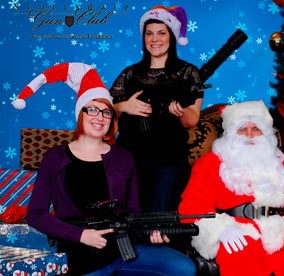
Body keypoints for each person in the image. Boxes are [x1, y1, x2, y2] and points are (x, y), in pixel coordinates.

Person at [14, 62, 196, 276]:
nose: (99, 117)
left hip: (123, 251)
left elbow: (133, 213)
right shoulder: (54, 158)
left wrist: (150, 235)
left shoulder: (123, 157)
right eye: (92, 109)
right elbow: (36, 215)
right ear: (80, 113)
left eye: (106, 112)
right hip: (79, 255)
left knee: (184, 268)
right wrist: (81, 235)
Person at [179, 100, 284, 276]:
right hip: (239, 231)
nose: (250, 135)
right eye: (242, 129)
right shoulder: (209, 164)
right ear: (230, 134)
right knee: (238, 254)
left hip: (282, 231)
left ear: (266, 133)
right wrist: (219, 229)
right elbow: (192, 208)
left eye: (256, 129)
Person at [109, 5, 204, 212]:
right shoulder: (130, 74)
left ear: (172, 36)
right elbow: (104, 114)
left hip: (168, 160)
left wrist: (180, 111)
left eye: (161, 33)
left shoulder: (188, 73)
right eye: (149, 33)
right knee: (126, 221)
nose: (155, 39)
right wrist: (125, 106)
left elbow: (191, 120)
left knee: (159, 222)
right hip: (127, 160)